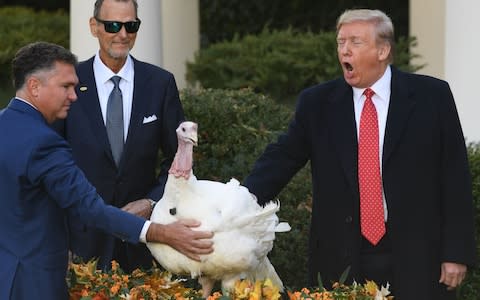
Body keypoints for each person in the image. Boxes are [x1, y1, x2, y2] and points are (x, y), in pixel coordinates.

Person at [244, 9, 476, 299]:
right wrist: (237, 202)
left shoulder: (432, 96)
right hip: (341, 257)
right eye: (341, 42)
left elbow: (454, 177)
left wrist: (456, 252)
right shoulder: (317, 103)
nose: (345, 49)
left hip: (418, 255)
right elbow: (282, 158)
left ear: (383, 50)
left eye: (355, 41)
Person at [0, 41, 213, 299]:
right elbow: (90, 209)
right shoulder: (44, 143)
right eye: (66, 86)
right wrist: (162, 233)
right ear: (34, 86)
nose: (74, 95)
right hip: (32, 286)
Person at [53, 0, 185, 272]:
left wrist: (151, 202)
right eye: (113, 25)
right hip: (80, 243)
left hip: (142, 243)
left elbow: (180, 159)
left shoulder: (160, 83)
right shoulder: (68, 82)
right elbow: (51, 164)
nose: (122, 34)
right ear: (94, 27)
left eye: (131, 25)